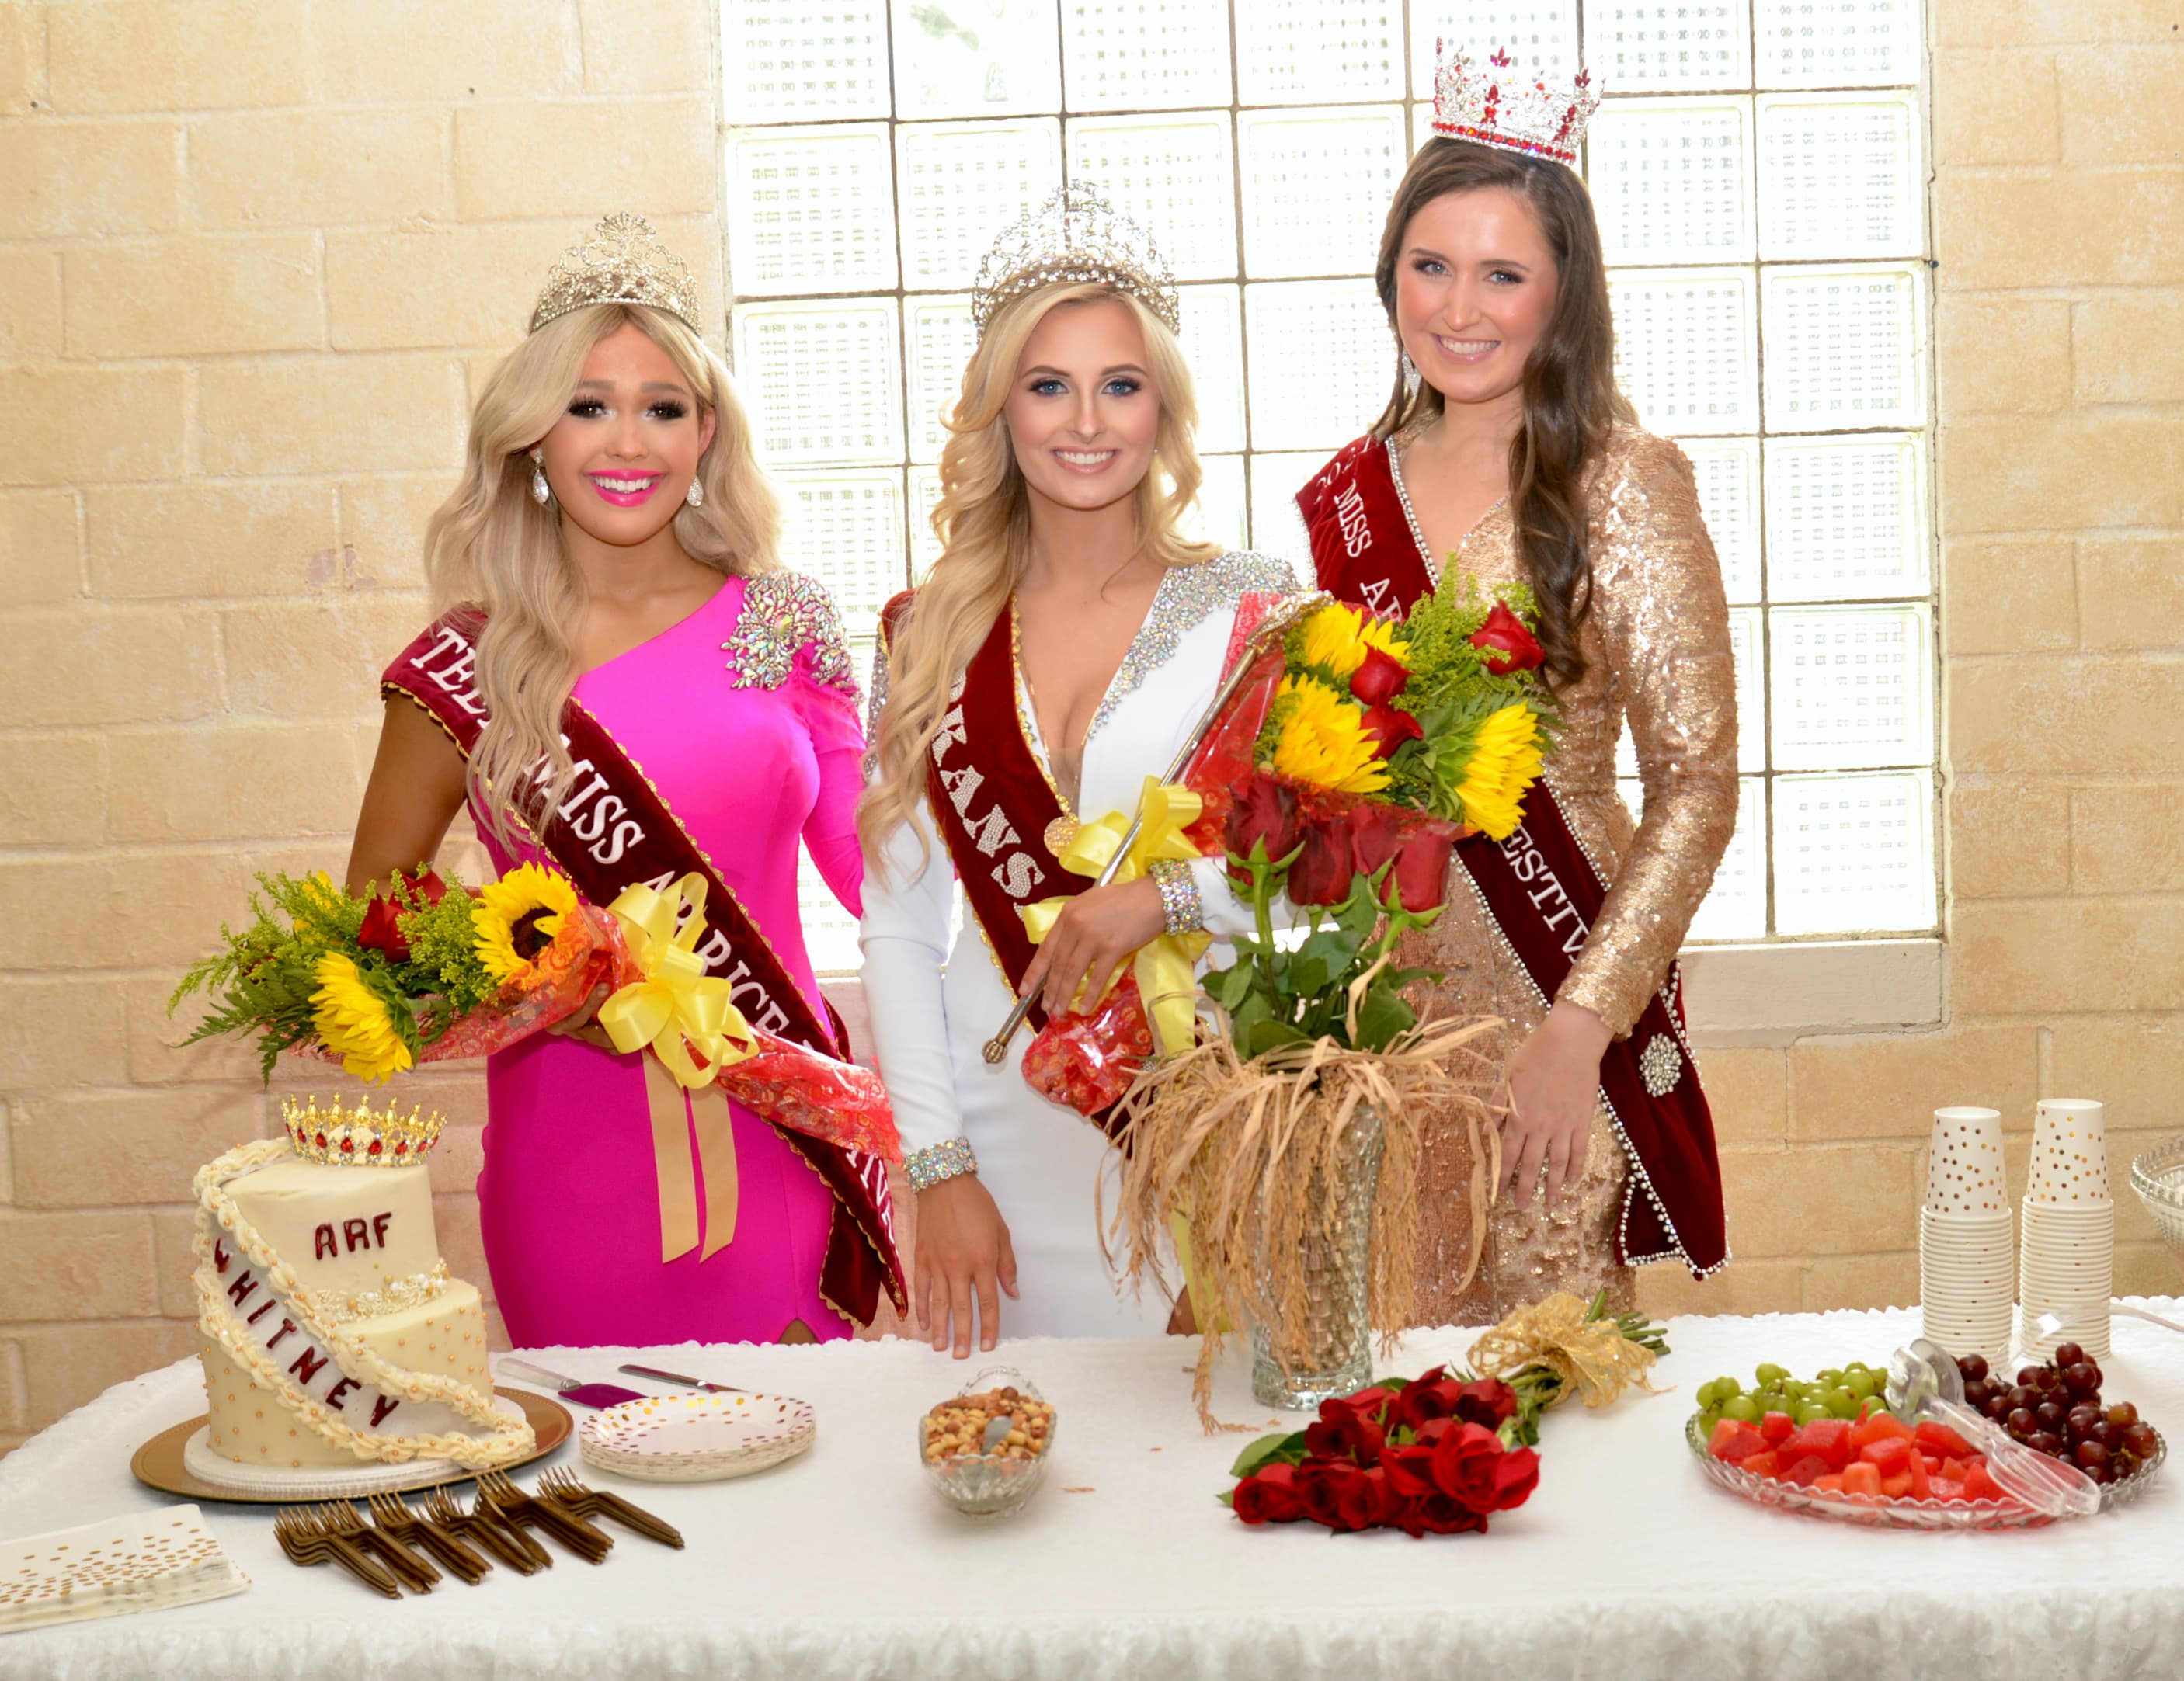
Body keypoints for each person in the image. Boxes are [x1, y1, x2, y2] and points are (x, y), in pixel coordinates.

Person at [352, 214, 902, 1349]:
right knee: (608, 1491)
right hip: (572, 1164)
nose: (628, 442)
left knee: (808, 1480)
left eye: (663, 407)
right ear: (533, 435)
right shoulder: (473, 657)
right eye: (588, 404)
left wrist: (942, 709)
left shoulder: (780, 618)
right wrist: (555, 985)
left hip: (776, 1132)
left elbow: (870, 872)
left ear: (707, 431)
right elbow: (374, 917)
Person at [1285, 50, 1737, 1322]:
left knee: (1550, 1398)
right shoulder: (1345, 496)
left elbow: (1699, 786)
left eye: (1503, 273)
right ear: (1390, 280)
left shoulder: (1623, 481)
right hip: (1381, 1032)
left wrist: (1583, 1025)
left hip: (1559, 1006)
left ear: (1563, 295)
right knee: (1387, 1407)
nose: (1460, 307)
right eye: (1430, 266)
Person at [860, 185, 1299, 1356]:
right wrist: (936, 1164)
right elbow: (901, 929)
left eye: (1122, 384)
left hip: (1195, 1122)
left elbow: (1318, 887)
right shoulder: (925, 634)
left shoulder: (1257, 613)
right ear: (1001, 408)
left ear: (1164, 407)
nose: (1086, 420)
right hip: (989, 1135)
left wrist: (1163, 898)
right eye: (1048, 385)